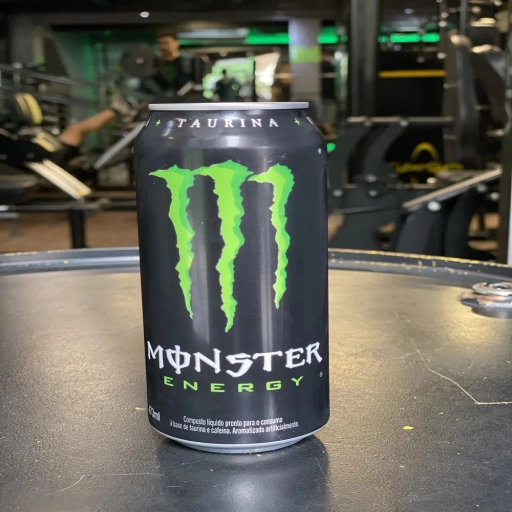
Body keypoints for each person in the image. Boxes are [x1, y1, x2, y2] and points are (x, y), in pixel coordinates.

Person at [52, 90, 137, 167]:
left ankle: (119, 111)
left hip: (53, 163)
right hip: (54, 166)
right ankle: (118, 110)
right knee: (76, 130)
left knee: (74, 130)